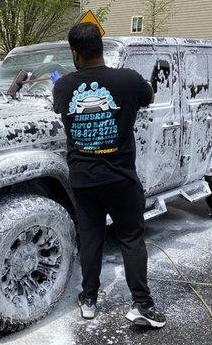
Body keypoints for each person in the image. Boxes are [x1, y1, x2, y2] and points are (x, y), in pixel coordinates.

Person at [52, 22, 166, 328]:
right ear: (101, 47)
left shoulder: (62, 86)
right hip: (120, 178)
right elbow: (149, 96)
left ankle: (88, 298)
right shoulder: (128, 80)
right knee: (131, 238)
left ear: (75, 53)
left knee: (91, 238)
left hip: (83, 179)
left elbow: (58, 108)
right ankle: (142, 304)